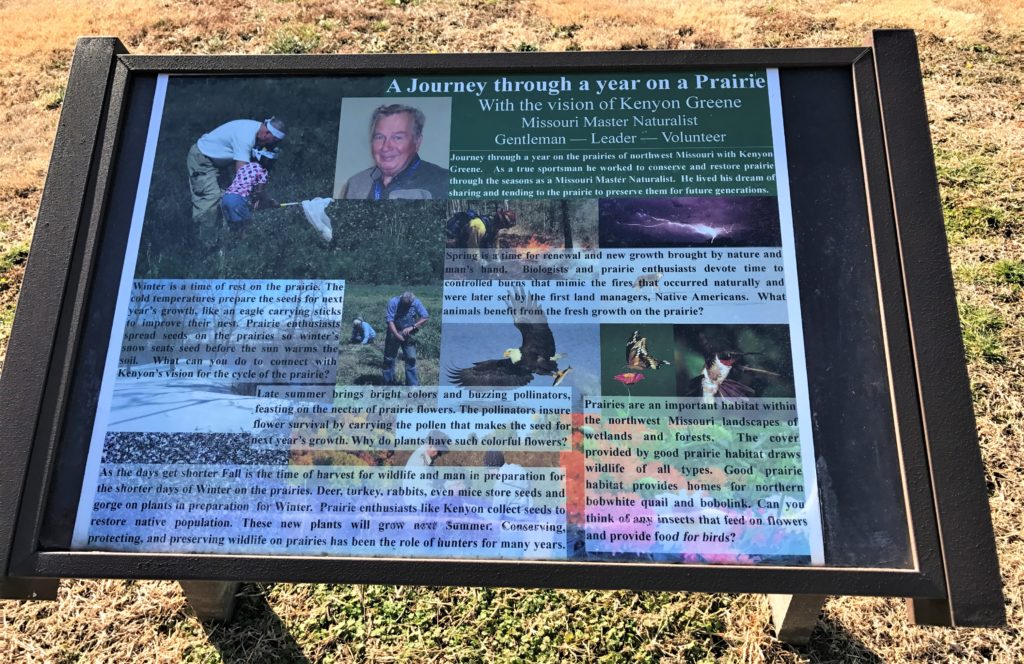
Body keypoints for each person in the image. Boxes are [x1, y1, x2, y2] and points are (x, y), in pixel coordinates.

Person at [341, 104, 449, 200]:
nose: (386, 147)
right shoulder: (355, 184)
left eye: (397, 138)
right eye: (379, 137)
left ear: (417, 142)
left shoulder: (445, 182)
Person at [188, 117, 286, 222]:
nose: (272, 145)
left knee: (226, 197)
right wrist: (257, 197)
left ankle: (224, 234)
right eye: (274, 141)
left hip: (217, 163)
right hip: (202, 159)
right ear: (266, 134)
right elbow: (242, 175)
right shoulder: (246, 137)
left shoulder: (256, 130)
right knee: (211, 199)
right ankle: (207, 236)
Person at [220, 147, 279, 225]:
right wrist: (270, 201)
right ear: (266, 160)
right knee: (246, 226)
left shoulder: (244, 168)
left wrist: (254, 202)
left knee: (234, 228)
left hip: (226, 198)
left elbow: (247, 189)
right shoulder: (263, 171)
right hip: (238, 200)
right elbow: (259, 192)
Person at [383, 291, 429, 386]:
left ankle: (412, 385)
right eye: (405, 304)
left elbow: (425, 316)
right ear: (401, 299)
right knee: (389, 358)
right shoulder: (393, 302)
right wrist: (396, 334)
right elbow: (389, 320)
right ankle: (388, 384)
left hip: (409, 334)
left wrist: (412, 327)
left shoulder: (416, 302)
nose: (407, 306)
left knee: (411, 358)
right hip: (394, 332)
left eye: (409, 304)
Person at [445, 209, 517, 261]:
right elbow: (472, 247)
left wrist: (496, 256)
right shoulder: (478, 226)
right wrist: (480, 261)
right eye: (505, 226)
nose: (503, 228)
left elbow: (495, 242)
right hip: (466, 248)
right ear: (501, 222)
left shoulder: (494, 227)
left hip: (479, 247)